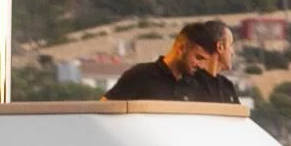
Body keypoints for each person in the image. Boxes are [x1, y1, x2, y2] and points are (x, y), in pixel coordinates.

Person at [103, 20, 241, 103]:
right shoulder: (141, 75)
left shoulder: (198, 83)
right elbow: (104, 109)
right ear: (181, 48)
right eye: (198, 57)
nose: (200, 65)